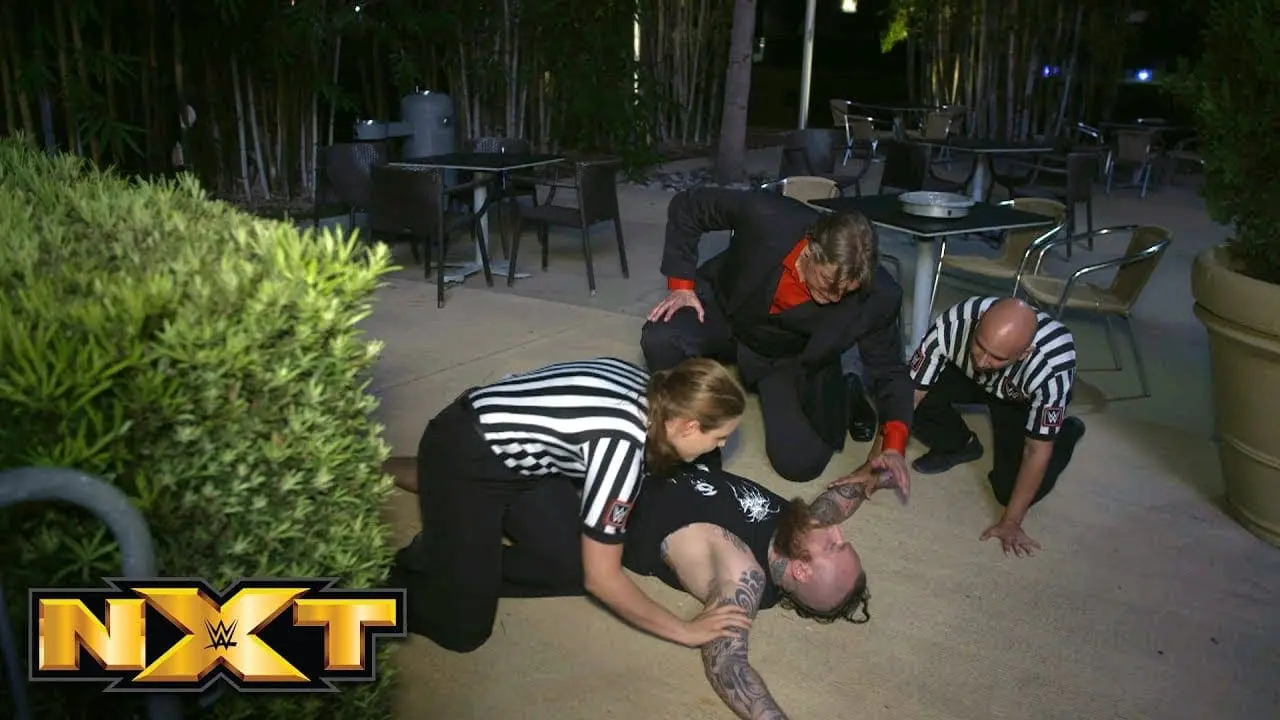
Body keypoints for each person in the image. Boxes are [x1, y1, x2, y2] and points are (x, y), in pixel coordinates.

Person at [388, 356, 751, 653]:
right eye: (720, 437)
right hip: (465, 455)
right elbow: (603, 579)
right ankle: (381, 590)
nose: (721, 446)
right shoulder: (621, 447)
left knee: (570, 567)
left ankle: (447, 556)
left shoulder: (656, 389)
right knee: (462, 629)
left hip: (525, 462)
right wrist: (685, 630)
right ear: (688, 427)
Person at [640, 187, 914, 489]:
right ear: (809, 248)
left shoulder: (881, 296)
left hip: (788, 354)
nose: (835, 297)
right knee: (662, 336)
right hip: (726, 311)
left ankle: (847, 390)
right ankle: (694, 446)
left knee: (800, 464)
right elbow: (688, 205)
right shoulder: (768, 215)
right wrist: (681, 286)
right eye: (826, 280)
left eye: (847, 290)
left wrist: (894, 445)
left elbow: (890, 371)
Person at [622, 460, 899, 719]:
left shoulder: (744, 575)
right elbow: (840, 499)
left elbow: (728, 664)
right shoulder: (800, 530)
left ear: (801, 570)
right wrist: (882, 471)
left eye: (832, 546)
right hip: (664, 457)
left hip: (620, 495)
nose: (835, 530)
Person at [906, 296, 1087, 557]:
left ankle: (1066, 432)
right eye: (980, 346)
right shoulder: (956, 321)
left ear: (1024, 353)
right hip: (966, 376)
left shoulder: (1053, 368)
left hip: (1019, 400)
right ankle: (960, 444)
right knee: (895, 391)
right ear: (978, 323)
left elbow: (1036, 451)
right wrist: (879, 458)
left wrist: (1011, 522)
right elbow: (909, 396)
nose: (981, 361)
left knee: (1007, 491)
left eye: (995, 357)